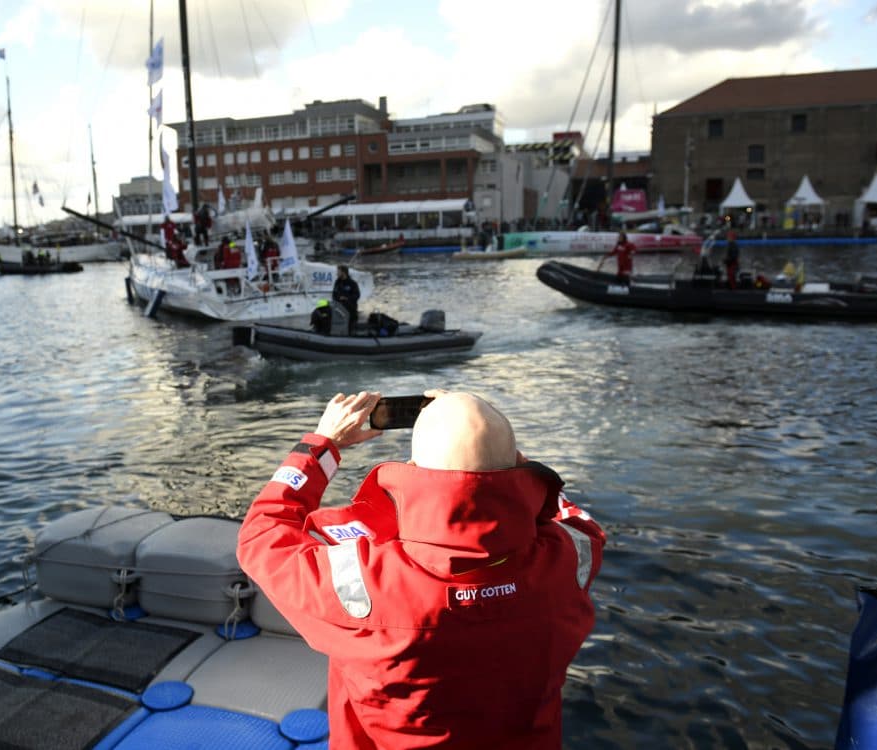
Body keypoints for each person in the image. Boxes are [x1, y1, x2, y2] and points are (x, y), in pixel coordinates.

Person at [237, 390, 605, 749]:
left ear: (412, 472)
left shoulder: (364, 583)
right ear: (517, 471)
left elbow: (262, 533)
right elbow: (570, 515)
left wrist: (322, 447)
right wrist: (494, 447)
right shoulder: (568, 560)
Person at [332, 265, 360, 331]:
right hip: (339, 311)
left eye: (338, 272)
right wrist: (338, 298)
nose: (337, 273)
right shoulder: (337, 282)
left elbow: (357, 295)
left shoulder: (352, 283)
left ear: (343, 272)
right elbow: (334, 295)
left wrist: (347, 298)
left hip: (351, 311)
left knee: (351, 329)